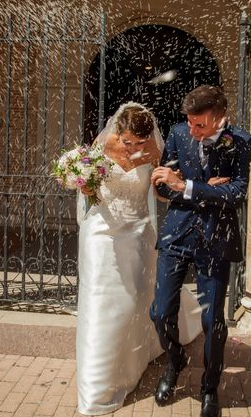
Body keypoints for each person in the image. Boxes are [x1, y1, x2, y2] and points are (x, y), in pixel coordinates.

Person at [75, 102, 202, 415]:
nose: (134, 148)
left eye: (140, 143)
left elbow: (159, 194)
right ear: (118, 132)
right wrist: (80, 179)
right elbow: (86, 187)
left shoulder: (155, 149)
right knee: (100, 301)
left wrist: (169, 183)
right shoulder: (102, 145)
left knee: (134, 300)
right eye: (128, 141)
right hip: (100, 232)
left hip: (138, 232)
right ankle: (98, 384)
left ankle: (135, 356)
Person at [150, 85, 251, 417]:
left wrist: (188, 186)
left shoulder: (240, 141)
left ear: (219, 116)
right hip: (177, 235)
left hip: (216, 240)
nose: (193, 132)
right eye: (190, 124)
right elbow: (162, 181)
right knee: (160, 312)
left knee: (214, 322)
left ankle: (210, 389)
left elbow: (237, 194)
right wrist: (200, 188)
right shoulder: (179, 133)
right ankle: (175, 359)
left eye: (201, 125)